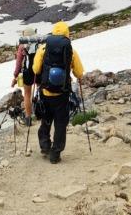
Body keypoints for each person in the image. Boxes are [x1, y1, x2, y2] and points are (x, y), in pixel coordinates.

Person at [31, 21, 84, 164]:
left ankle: (45, 145)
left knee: (46, 119)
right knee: (60, 124)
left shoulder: (43, 48)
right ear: (67, 34)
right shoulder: (70, 50)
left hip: (45, 92)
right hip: (62, 94)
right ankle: (55, 153)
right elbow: (79, 72)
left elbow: (35, 69)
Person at [12, 28, 38, 126]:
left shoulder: (22, 46)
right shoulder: (39, 43)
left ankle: (28, 117)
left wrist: (15, 76)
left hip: (27, 72)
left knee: (27, 94)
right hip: (39, 70)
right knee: (41, 89)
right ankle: (43, 112)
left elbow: (18, 63)